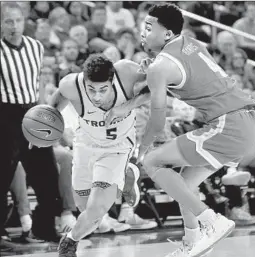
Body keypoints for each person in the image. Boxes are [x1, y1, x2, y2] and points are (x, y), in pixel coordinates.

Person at [136, 3, 255, 257]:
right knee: (184, 184)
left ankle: (212, 221)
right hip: (244, 121)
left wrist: (142, 149)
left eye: (149, 28)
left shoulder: (160, 67)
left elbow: (157, 121)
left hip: (228, 124)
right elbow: (188, 77)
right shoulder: (190, 43)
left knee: (152, 162)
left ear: (167, 34)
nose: (143, 32)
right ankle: (193, 241)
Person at [46, 54, 149, 256]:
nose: (96, 96)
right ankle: (126, 175)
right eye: (91, 89)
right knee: (87, 211)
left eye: (103, 89)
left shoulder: (127, 72)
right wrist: (44, 131)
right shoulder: (71, 85)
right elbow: (55, 104)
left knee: (97, 209)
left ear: (112, 81)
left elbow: (156, 89)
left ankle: (69, 243)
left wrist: (126, 106)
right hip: (85, 146)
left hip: (116, 149)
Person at [0, 2, 62, 248]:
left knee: (48, 173)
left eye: (17, 20)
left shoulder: (36, 47)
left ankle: (44, 229)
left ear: (24, 20)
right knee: (3, 175)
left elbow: (38, 82)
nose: (13, 26)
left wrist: (43, 113)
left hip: (32, 113)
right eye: (8, 21)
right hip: (4, 115)